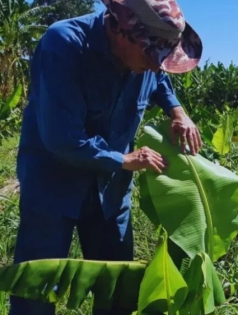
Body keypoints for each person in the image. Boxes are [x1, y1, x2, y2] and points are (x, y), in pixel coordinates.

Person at [9, 0, 203, 313]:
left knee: (118, 290)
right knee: (38, 290)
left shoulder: (145, 58)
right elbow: (62, 139)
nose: (156, 65)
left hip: (110, 191)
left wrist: (177, 111)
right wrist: (125, 161)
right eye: (151, 56)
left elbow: (159, 78)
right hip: (53, 185)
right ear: (122, 34)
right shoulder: (65, 45)